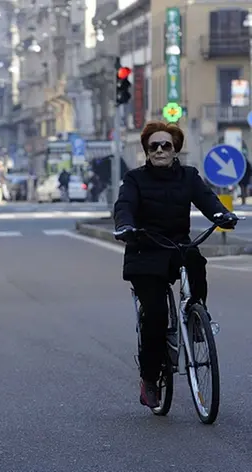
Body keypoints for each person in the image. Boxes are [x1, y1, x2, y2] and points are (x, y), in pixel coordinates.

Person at [113, 121, 238, 409]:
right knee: (155, 314)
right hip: (145, 249)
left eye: (165, 145)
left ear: (175, 149)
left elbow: (208, 200)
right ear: (146, 150)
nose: (159, 150)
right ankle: (149, 379)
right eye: (153, 146)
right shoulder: (134, 180)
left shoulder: (189, 176)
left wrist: (222, 215)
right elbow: (125, 207)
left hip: (177, 247)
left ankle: (196, 314)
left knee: (196, 260)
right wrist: (126, 226)